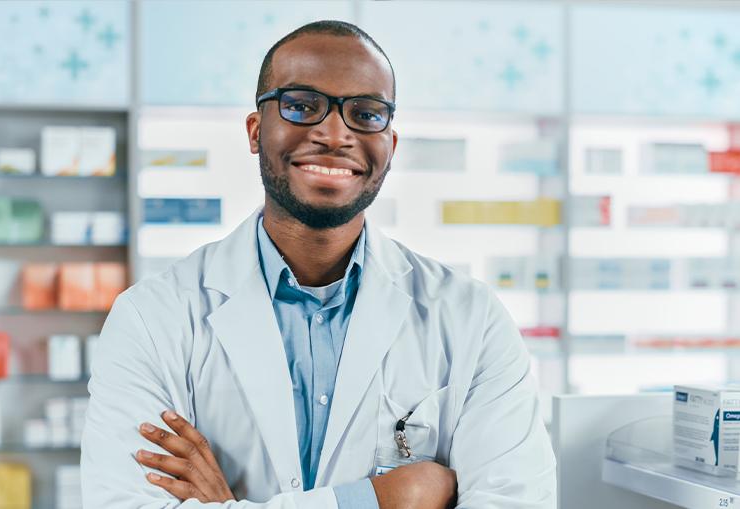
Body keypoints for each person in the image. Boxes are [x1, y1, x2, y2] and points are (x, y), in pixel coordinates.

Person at [80, 20, 556, 509]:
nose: (334, 134)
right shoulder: (153, 317)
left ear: (390, 144)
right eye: (302, 105)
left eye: (366, 114)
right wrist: (385, 498)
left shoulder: (471, 318)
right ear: (255, 130)